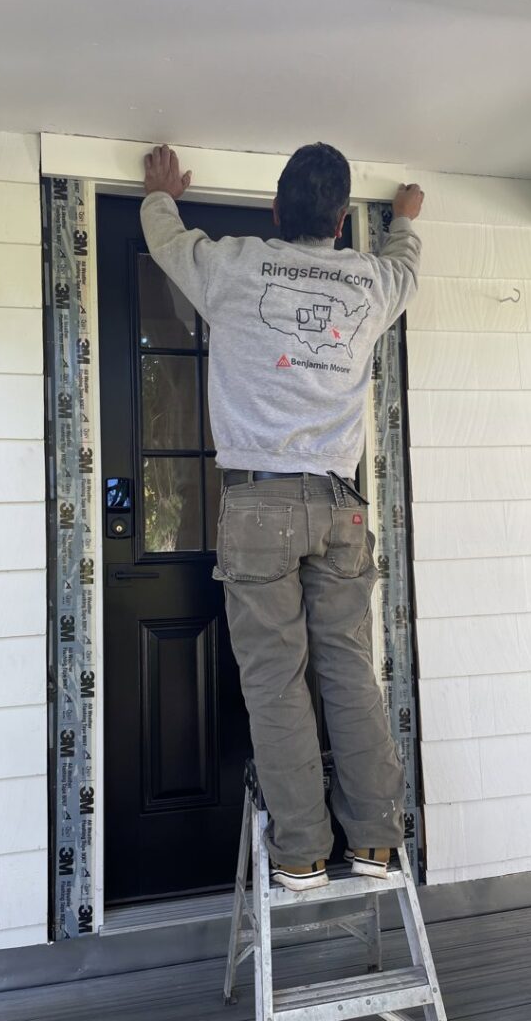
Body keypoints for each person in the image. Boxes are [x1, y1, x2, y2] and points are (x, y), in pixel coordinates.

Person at [140, 142, 423, 891]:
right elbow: (405, 268)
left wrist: (161, 194)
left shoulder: (234, 267)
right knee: (349, 672)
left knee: (275, 679)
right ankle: (376, 842)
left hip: (259, 502)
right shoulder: (369, 279)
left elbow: (168, 244)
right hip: (341, 506)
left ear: (274, 209)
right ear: (340, 219)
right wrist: (402, 220)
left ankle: (300, 852)